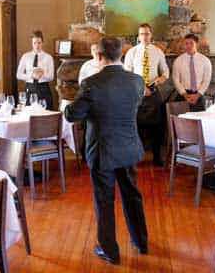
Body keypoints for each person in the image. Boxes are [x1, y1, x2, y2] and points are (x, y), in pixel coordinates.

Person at [65, 36, 148, 265]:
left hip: (103, 151)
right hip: (129, 148)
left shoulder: (92, 83)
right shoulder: (137, 81)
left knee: (104, 200)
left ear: (99, 56)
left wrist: (66, 106)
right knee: (132, 195)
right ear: (121, 55)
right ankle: (141, 242)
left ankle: (109, 251)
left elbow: (73, 115)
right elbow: (132, 107)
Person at [124, 23, 170, 166]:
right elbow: (127, 73)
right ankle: (134, 156)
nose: (144, 36)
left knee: (158, 125)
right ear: (138, 36)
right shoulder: (132, 52)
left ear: (151, 35)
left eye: (147, 33)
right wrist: (141, 86)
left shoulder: (158, 52)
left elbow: (166, 72)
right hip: (136, 93)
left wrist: (159, 80)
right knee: (134, 126)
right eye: (142, 34)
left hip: (154, 92)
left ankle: (157, 156)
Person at [172, 33, 212, 112]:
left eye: (191, 43)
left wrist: (198, 95)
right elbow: (175, 79)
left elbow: (206, 80)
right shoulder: (178, 60)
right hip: (183, 94)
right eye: (186, 43)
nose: (188, 46)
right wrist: (184, 94)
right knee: (181, 120)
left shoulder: (205, 60)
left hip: (199, 94)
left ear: (196, 44)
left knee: (199, 121)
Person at [16, 30, 54, 109]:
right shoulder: (25, 56)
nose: (37, 45)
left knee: (45, 115)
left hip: (44, 88)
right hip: (30, 88)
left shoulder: (48, 57)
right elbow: (18, 75)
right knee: (30, 115)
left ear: (42, 42)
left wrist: (42, 74)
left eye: (39, 43)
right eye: (34, 43)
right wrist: (31, 76)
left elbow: (51, 76)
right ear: (32, 43)